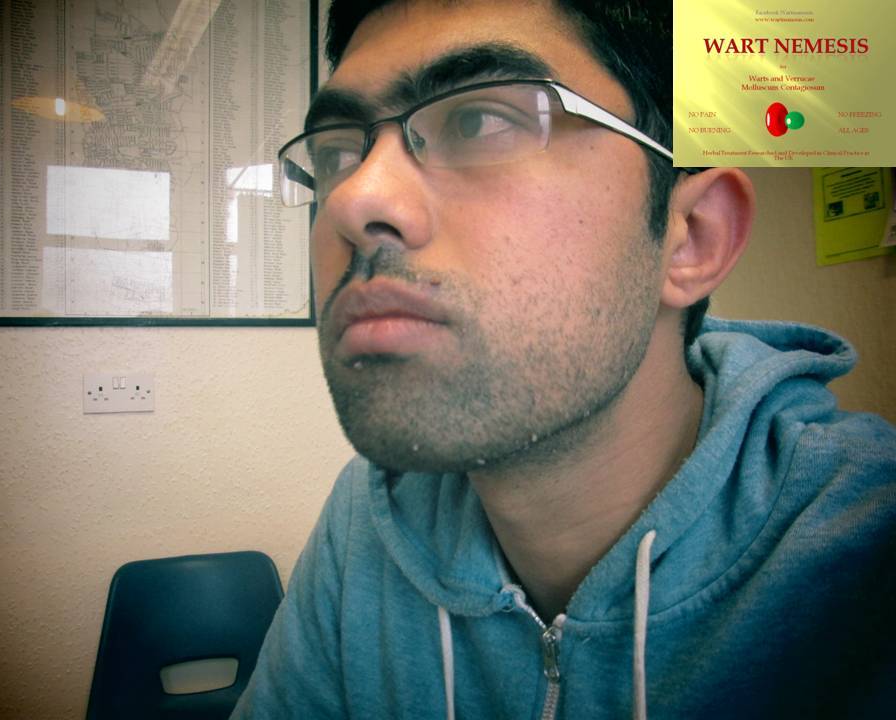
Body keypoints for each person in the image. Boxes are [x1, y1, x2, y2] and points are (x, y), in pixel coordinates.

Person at [232, 1, 896, 718]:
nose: (353, 199)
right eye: (337, 154)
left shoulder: (867, 546)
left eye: (478, 121)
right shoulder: (371, 516)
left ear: (692, 238)